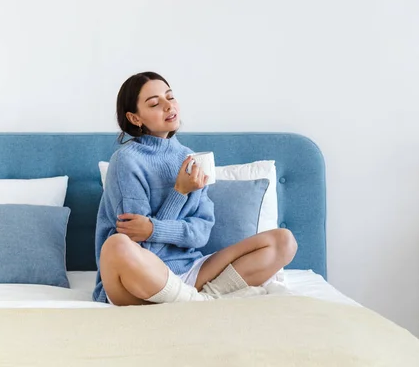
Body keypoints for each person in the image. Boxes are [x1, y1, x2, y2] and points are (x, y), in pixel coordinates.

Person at [92, 71, 297, 306]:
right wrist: (179, 192)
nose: (169, 106)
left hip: (192, 271)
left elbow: (200, 234)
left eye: (170, 97)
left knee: (283, 241)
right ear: (135, 118)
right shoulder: (126, 161)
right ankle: (195, 302)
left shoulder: (189, 158)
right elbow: (141, 245)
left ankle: (198, 299)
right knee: (117, 245)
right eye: (155, 103)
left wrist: (153, 228)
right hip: (140, 278)